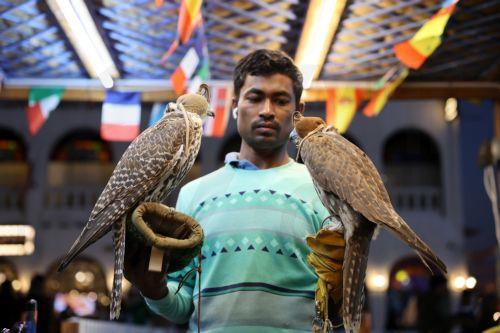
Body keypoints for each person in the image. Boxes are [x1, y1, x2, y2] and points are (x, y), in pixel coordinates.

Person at [125, 49, 343, 332]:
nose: (267, 110)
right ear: (235, 105)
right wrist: (154, 290)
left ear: (297, 110)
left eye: (280, 100)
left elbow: (335, 305)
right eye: (255, 97)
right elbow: (184, 305)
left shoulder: (322, 191)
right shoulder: (193, 194)